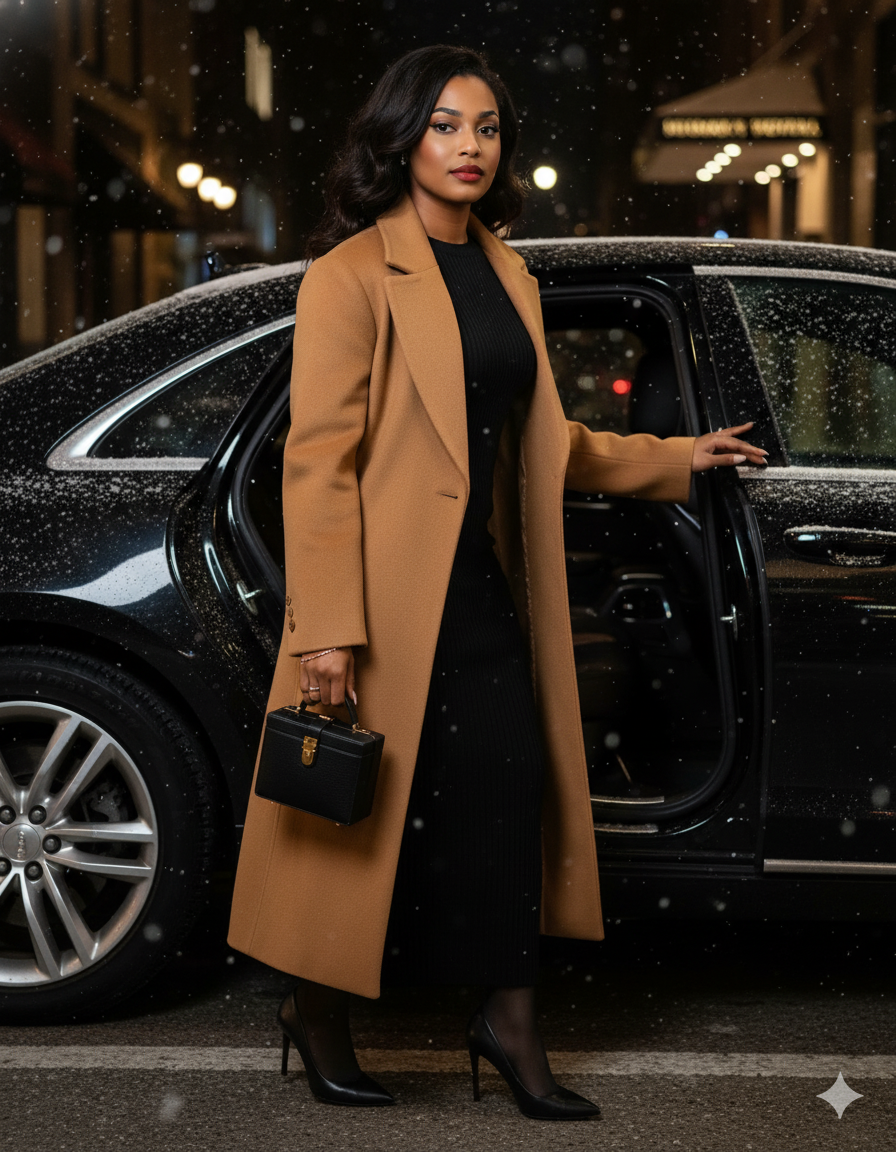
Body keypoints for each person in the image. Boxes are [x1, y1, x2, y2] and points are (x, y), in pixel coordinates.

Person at [228, 44, 766, 1121]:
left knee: (503, 792)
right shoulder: (348, 275)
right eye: (443, 125)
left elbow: (536, 441)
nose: (467, 147)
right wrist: (328, 628)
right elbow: (318, 462)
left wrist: (668, 457)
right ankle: (317, 1010)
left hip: (480, 586)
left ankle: (507, 1021)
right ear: (399, 138)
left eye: (484, 129)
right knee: (356, 811)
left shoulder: (506, 268)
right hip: (375, 596)